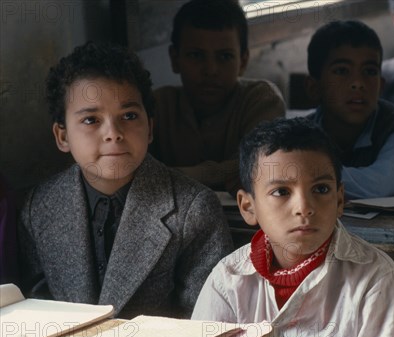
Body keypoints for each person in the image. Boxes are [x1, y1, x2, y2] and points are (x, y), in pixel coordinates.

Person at [192, 118, 394, 337]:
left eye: (320, 189)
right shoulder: (228, 279)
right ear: (248, 207)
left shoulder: (374, 278)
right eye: (281, 192)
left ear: (340, 200)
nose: (304, 208)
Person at [18, 41, 234, 319]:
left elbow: (204, 323)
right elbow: (36, 309)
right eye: (91, 120)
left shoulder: (194, 210)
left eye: (129, 116)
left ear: (150, 128)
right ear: (62, 136)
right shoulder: (39, 207)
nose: (114, 133)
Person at [150, 0, 286, 192]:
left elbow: (258, 165)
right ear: (175, 59)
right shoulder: (157, 105)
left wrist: (174, 176)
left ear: (243, 61)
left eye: (224, 57)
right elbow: (135, 171)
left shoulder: (262, 99)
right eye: (196, 55)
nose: (210, 70)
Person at [304, 20, 394, 199]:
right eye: (342, 71)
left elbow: (384, 184)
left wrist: (302, 174)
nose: (358, 84)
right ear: (314, 88)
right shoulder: (301, 133)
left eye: (369, 72)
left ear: (380, 86)